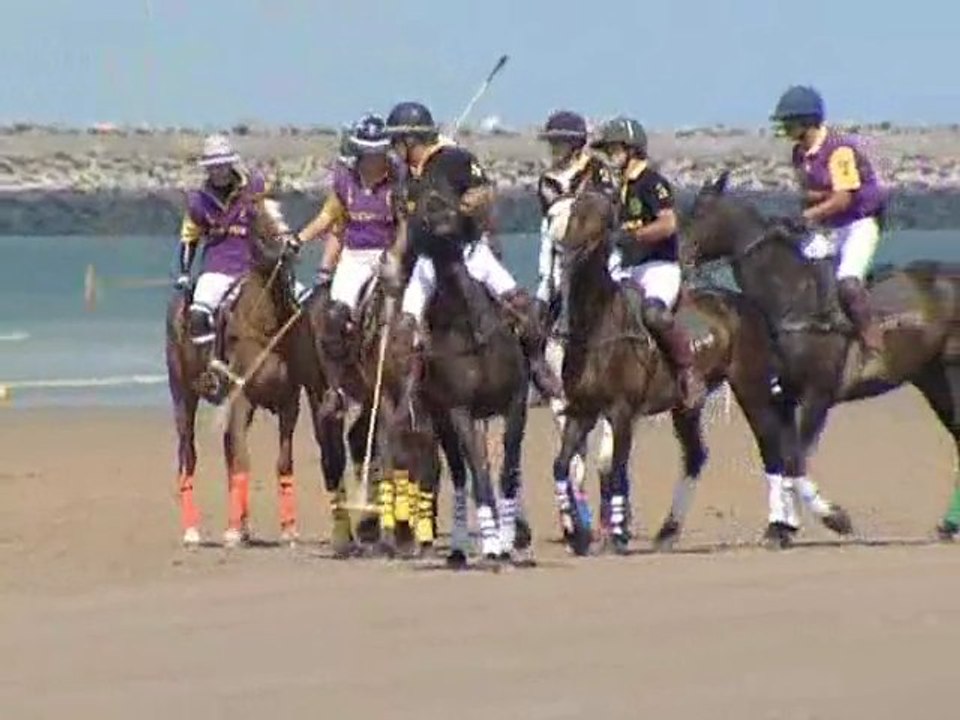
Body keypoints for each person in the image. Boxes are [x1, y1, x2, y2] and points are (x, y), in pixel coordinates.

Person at [384, 100, 563, 399]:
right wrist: (395, 257)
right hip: (428, 262)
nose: (393, 149)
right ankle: (415, 394)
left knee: (522, 307)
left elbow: (485, 192)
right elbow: (405, 223)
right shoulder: (406, 177)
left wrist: (460, 207)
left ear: (410, 140)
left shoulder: (455, 159)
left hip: (469, 252)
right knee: (405, 327)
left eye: (396, 141)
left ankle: (536, 365)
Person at [591, 116, 706, 410]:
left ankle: (688, 372)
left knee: (653, 314)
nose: (610, 155)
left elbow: (668, 224)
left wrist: (634, 236)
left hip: (658, 267)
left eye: (615, 149)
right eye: (608, 150)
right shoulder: (618, 188)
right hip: (628, 267)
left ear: (632, 149)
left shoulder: (652, 183)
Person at [295, 113, 405, 415]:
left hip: (388, 255)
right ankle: (338, 388)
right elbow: (327, 218)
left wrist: (395, 254)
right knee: (333, 317)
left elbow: (405, 224)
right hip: (355, 257)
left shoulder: (398, 181)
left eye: (377, 152)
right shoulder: (345, 181)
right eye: (366, 153)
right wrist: (298, 239)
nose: (372, 159)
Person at [771, 85, 886, 355]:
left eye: (788, 122)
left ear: (806, 122)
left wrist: (807, 215)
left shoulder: (839, 151)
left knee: (847, 282)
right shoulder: (799, 153)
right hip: (831, 225)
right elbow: (811, 194)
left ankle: (872, 339)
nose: (784, 128)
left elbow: (843, 199)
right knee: (797, 270)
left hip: (859, 222)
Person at [177, 134, 297, 368]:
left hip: (254, 268)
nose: (219, 171)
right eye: (213, 166)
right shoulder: (198, 202)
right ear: (207, 169)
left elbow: (272, 221)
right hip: (218, 269)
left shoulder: (254, 190)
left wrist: (284, 244)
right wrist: (184, 272)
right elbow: (189, 237)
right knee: (199, 315)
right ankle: (209, 367)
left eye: (222, 165)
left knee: (301, 304)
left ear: (231, 164)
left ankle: (305, 369)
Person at [535, 109, 616, 326]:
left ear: (575, 144)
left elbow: (606, 210)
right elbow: (547, 224)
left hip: (596, 248)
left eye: (559, 142)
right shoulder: (546, 180)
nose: (553, 148)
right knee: (544, 300)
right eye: (552, 142)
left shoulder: (596, 170)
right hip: (557, 250)